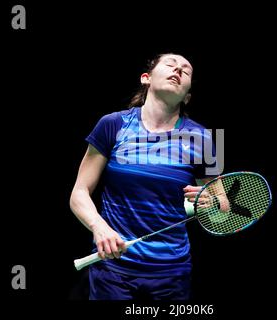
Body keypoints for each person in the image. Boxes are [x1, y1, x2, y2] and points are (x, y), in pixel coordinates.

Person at [70, 53, 221, 300]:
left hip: (172, 273)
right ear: (146, 78)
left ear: (188, 95)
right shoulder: (112, 124)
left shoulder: (204, 137)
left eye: (186, 70)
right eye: (171, 64)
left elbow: (223, 207)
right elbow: (79, 192)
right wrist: (99, 227)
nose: (178, 70)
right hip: (113, 268)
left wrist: (212, 204)